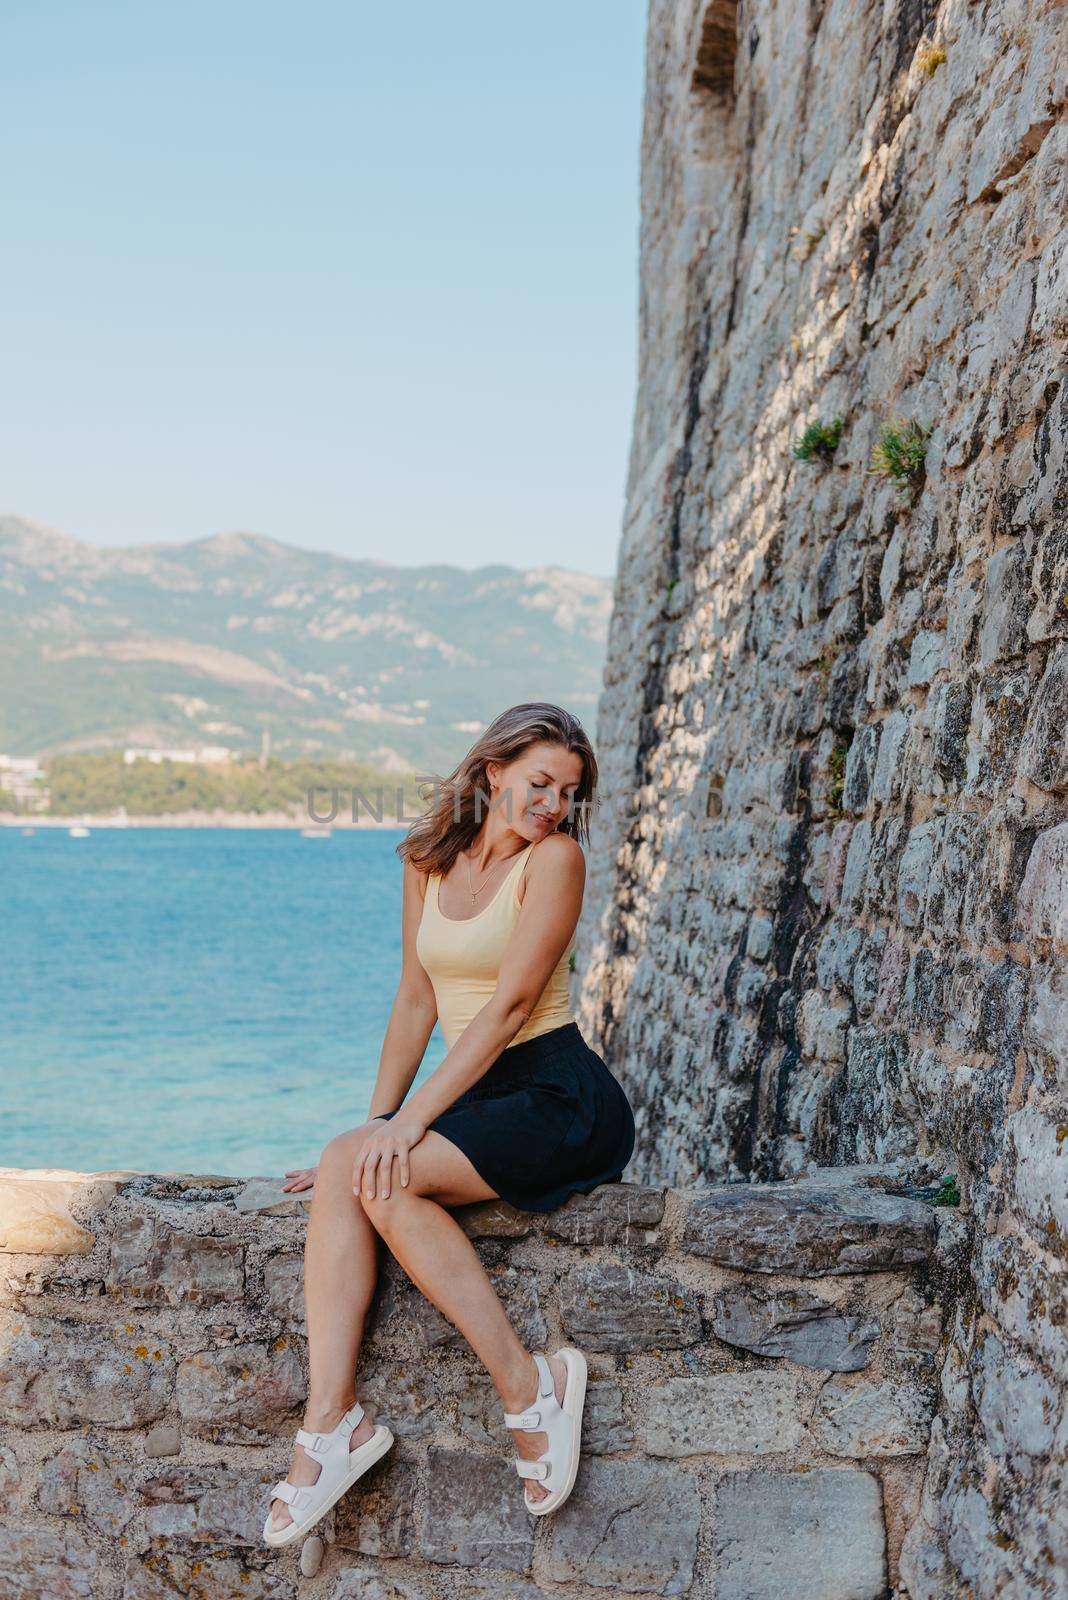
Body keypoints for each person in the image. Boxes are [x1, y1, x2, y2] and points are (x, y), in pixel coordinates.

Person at [263, 702, 636, 1547]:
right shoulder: (429, 862)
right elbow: (417, 999)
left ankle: (528, 1386)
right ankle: (332, 1424)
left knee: (378, 1170)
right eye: (539, 782)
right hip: (475, 1096)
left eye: (568, 792)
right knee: (349, 1160)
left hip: (554, 1092)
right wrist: (378, 1123)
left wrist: (403, 1131)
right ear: (493, 770)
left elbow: (505, 1011)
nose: (551, 803)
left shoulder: (557, 861)